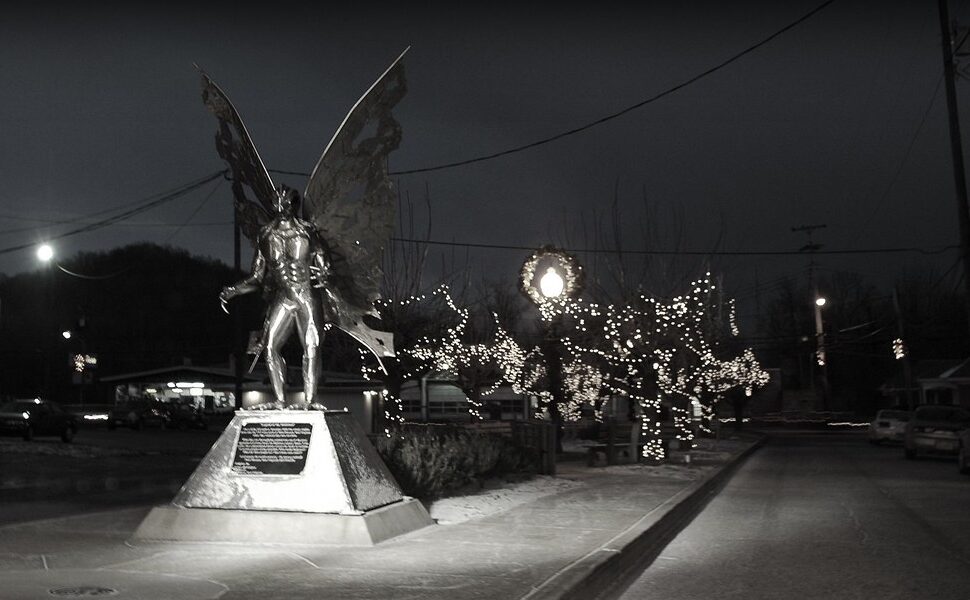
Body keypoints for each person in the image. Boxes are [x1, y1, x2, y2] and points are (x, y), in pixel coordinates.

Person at [220, 185, 329, 409]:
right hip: (284, 296)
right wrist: (234, 290)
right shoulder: (266, 235)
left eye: (287, 204)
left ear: (294, 205)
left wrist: (326, 274)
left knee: (311, 346)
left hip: (307, 293)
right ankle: (280, 400)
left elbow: (324, 263)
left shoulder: (308, 231)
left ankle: (309, 401)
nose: (282, 208)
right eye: (278, 203)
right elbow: (257, 276)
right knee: (269, 347)